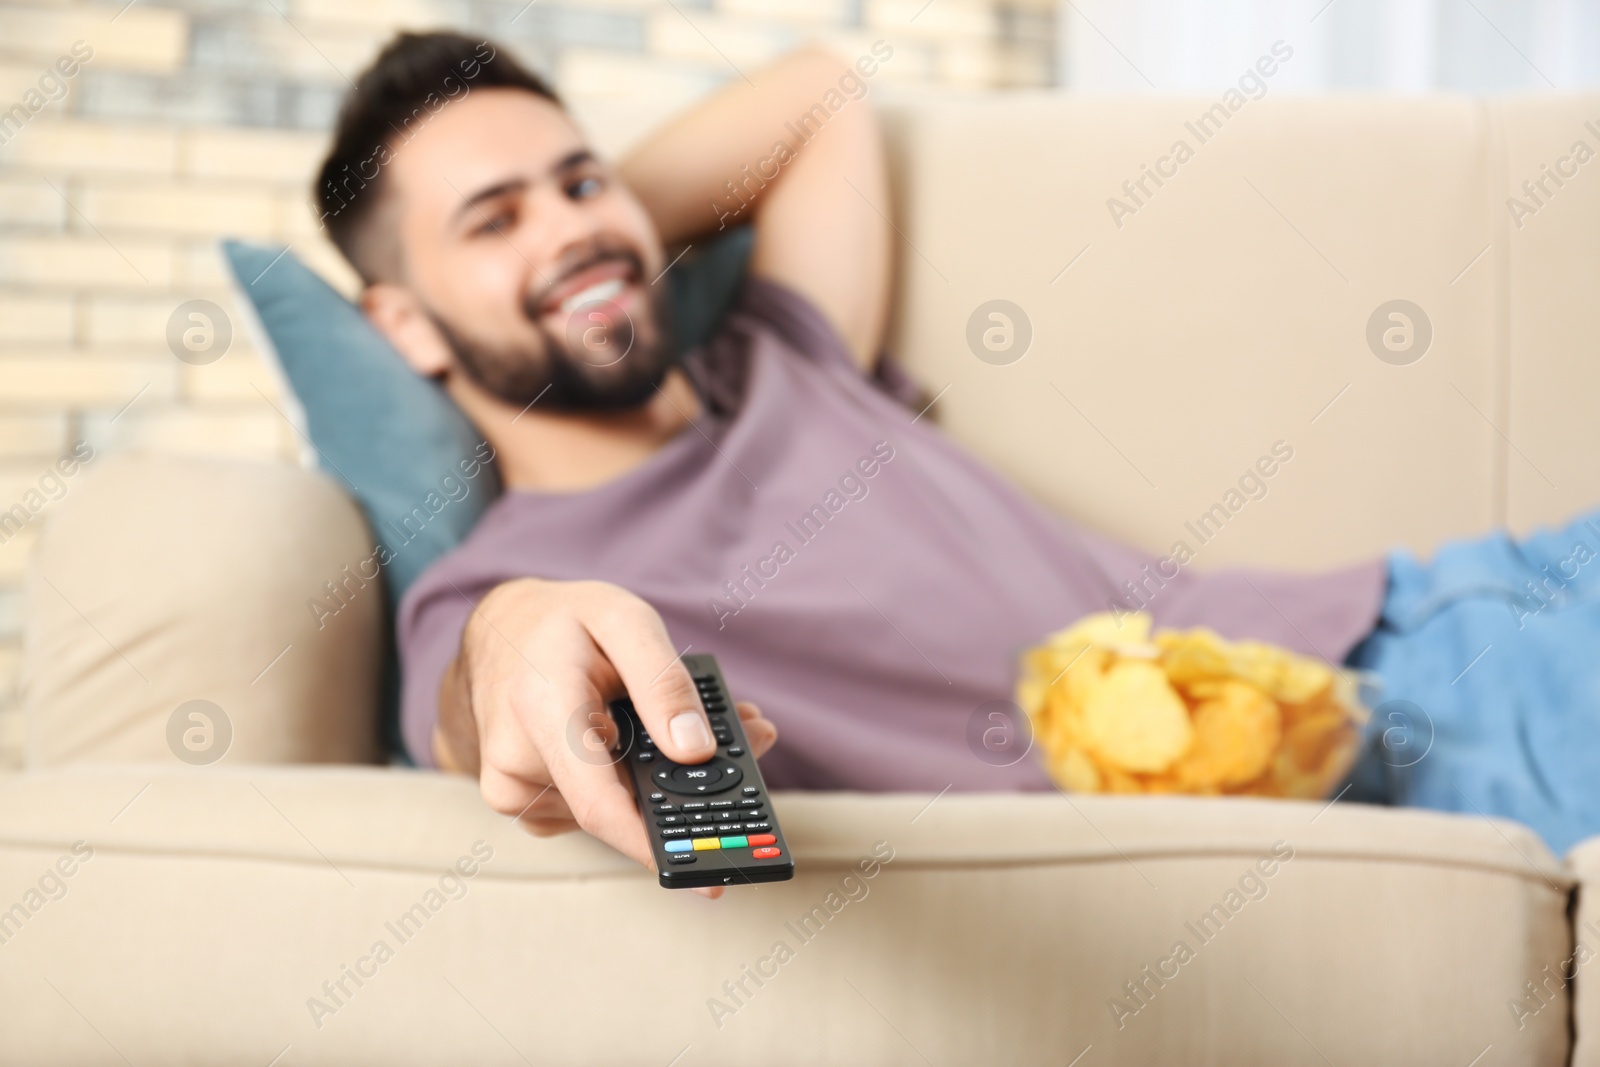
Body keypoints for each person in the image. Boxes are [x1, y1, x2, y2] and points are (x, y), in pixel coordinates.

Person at [314, 32, 1600, 892]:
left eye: (579, 181)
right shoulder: (498, 585)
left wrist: (584, 248)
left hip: (1419, 635)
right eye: (493, 218)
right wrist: (525, 631)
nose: (567, 225)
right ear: (405, 323)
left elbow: (818, 90)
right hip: (1305, 801)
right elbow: (485, 681)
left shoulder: (779, 357)